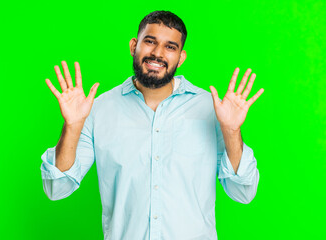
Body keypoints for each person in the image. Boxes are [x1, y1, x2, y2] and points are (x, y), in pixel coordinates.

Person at [41, 10, 264, 240]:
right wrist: (72, 126)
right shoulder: (98, 109)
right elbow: (57, 188)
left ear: (181, 57)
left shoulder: (211, 109)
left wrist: (231, 131)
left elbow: (243, 192)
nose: (157, 53)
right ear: (133, 46)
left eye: (170, 47)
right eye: (150, 42)